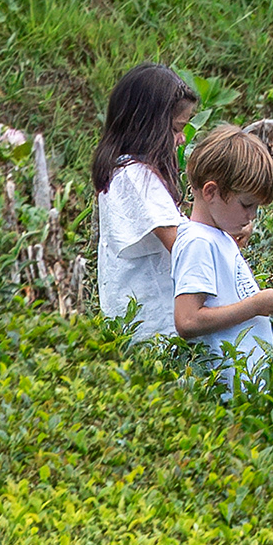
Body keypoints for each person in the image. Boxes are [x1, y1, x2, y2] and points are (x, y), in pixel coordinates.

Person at [170, 127, 273, 379]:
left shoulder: (217, 236)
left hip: (246, 386)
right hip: (225, 392)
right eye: (246, 205)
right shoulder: (198, 242)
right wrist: (256, 306)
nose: (252, 215)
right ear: (211, 192)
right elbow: (187, 321)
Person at [91, 62, 195, 341]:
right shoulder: (135, 178)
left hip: (146, 331)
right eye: (176, 129)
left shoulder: (124, 173)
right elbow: (185, 248)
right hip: (154, 334)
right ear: (148, 127)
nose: (181, 139)